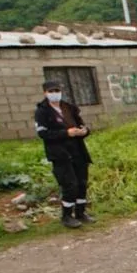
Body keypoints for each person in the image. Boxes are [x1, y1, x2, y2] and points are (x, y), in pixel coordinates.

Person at [34, 79, 94, 229]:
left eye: (57, 91)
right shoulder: (42, 111)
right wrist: (66, 133)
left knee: (81, 183)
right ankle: (67, 216)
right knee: (70, 185)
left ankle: (81, 213)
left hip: (78, 151)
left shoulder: (69, 108)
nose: (55, 94)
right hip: (60, 154)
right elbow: (43, 134)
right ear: (45, 93)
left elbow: (81, 124)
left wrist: (84, 131)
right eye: (51, 91)